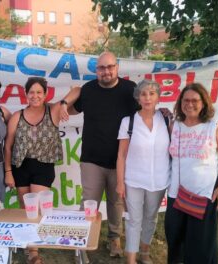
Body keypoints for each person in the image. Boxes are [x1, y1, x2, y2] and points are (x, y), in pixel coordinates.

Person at [60, 51, 138, 257]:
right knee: (88, 202)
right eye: (102, 68)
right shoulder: (88, 89)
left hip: (120, 159)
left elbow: (145, 111)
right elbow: (75, 106)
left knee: (116, 202)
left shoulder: (130, 90)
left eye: (110, 67)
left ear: (117, 68)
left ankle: (114, 239)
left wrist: (162, 113)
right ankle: (80, 239)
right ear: (96, 70)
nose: (106, 71)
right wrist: (64, 103)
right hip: (92, 158)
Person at [165, 83, 218, 264]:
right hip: (176, 195)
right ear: (180, 103)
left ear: (204, 103)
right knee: (174, 241)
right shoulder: (174, 126)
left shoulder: (214, 126)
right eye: (186, 100)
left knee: (200, 245)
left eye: (195, 100)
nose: (190, 104)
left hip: (204, 194)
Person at [4, 77, 63, 264]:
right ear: (26, 94)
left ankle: (35, 249)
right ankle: (32, 250)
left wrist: (64, 104)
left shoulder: (53, 111)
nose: (35, 96)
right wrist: (7, 171)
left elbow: (77, 90)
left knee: (36, 209)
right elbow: (8, 147)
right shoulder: (17, 116)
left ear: (45, 94)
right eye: (31, 92)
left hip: (43, 166)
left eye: (39, 92)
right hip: (20, 167)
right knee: (25, 209)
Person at [116, 80, 170, 264]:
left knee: (151, 218)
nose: (147, 98)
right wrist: (120, 183)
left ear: (158, 97)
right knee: (133, 219)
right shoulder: (128, 121)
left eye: (151, 93)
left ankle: (145, 251)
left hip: (159, 180)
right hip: (134, 180)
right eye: (143, 94)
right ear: (137, 97)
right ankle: (131, 258)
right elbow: (121, 155)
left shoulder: (166, 119)